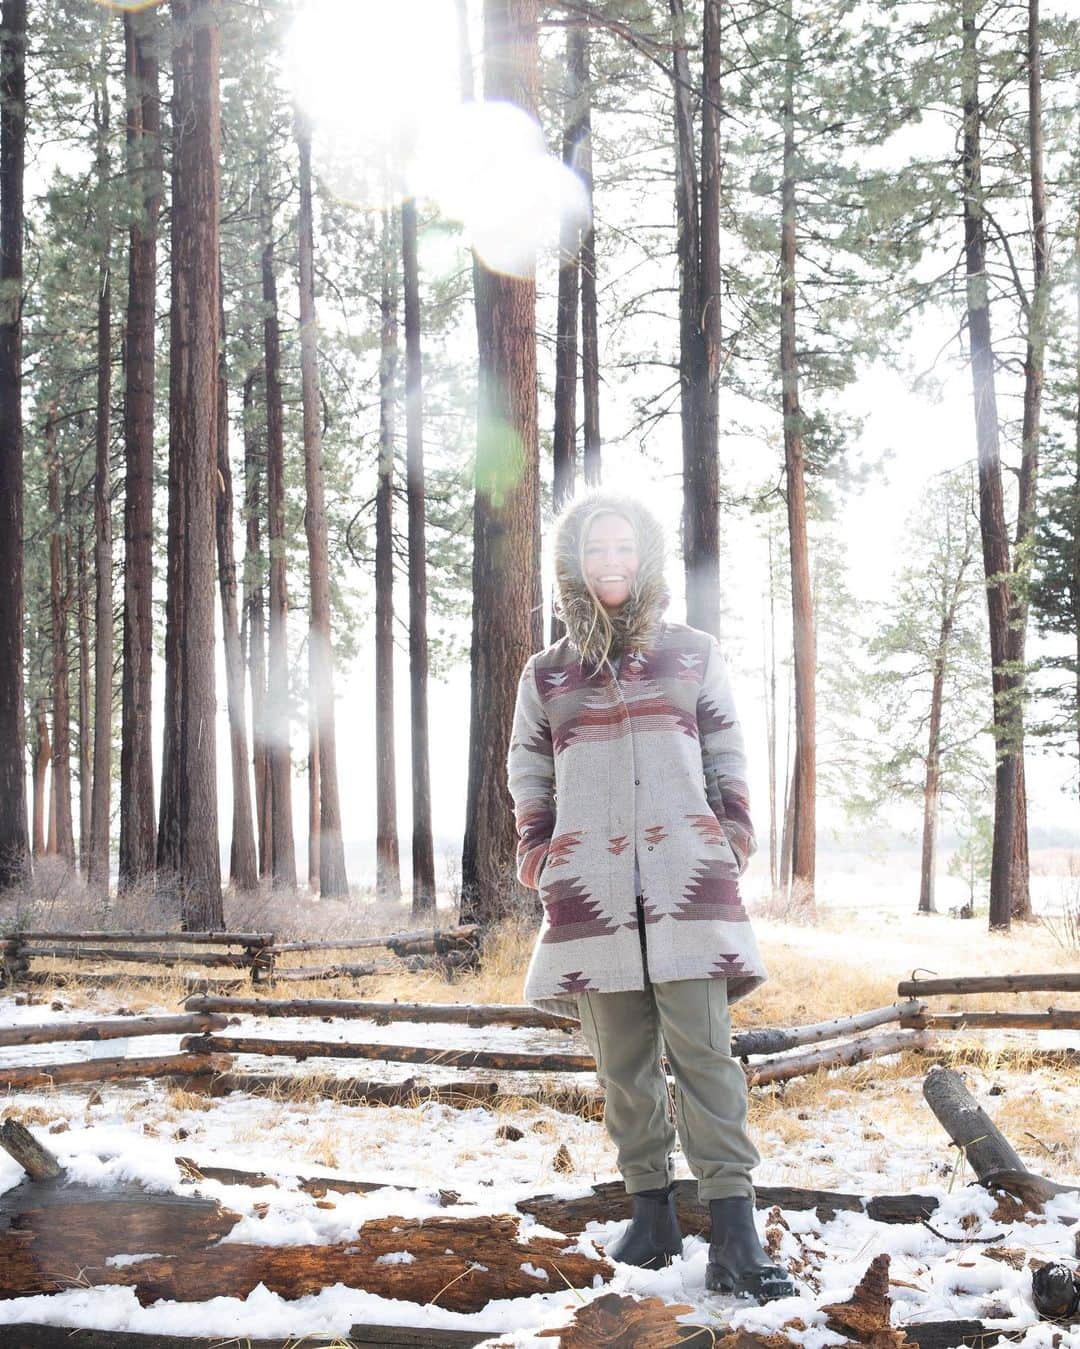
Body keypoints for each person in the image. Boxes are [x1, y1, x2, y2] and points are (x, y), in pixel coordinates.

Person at [506, 489, 794, 1303]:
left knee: (705, 1054)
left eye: (623, 549)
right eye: (595, 550)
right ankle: (652, 1216)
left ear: (647, 557)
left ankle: (735, 1232)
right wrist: (540, 856)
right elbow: (528, 769)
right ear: (572, 563)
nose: (610, 564)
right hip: (589, 895)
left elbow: (727, 748)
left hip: (686, 886)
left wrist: (729, 836)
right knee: (624, 1067)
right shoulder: (548, 671)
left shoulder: (692, 652)